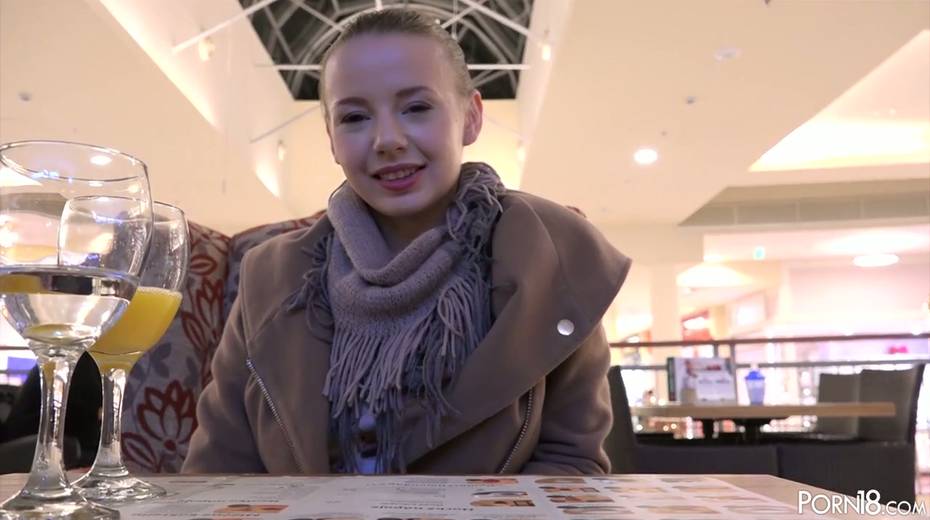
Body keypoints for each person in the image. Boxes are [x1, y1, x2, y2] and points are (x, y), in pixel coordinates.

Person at [183, 7, 630, 475]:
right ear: (332, 140)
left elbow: (570, 463)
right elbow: (217, 470)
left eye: (416, 108)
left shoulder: (553, 255)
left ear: (471, 117)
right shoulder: (269, 276)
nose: (387, 140)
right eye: (354, 117)